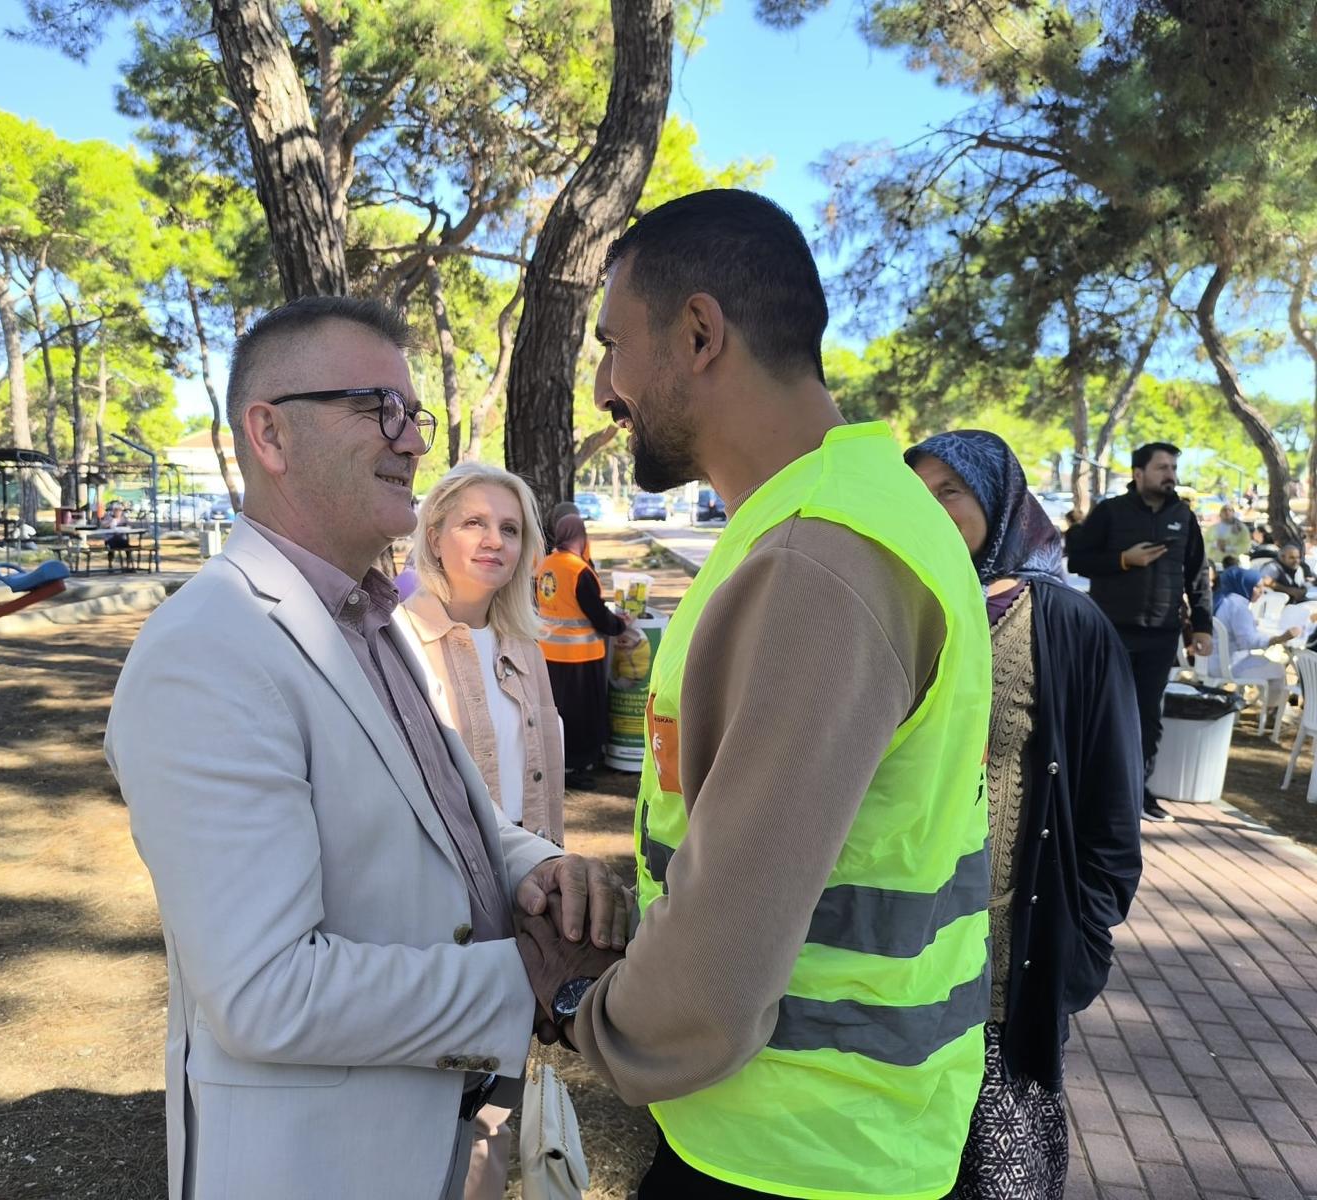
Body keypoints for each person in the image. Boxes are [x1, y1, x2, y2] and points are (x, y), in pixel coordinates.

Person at [512, 189, 994, 1200]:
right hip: (838, 1132)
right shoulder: (848, 513)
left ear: (698, 334)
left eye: (612, 345)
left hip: (794, 1149)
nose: (601, 387)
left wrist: (576, 1000)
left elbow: (722, 963)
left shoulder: (819, 556)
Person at [103, 295, 627, 1200]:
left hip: (433, 1132)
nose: (413, 441)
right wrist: (528, 979)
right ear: (270, 434)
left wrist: (537, 869)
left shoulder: (365, 620)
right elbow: (266, 991)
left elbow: (444, 820)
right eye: (377, 408)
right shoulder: (209, 649)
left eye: (413, 413)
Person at [907, 430, 1144, 1198]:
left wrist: (1087, 928)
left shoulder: (1065, 623)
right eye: (917, 491)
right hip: (899, 957)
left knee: (996, 1171)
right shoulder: (903, 605)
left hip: (1004, 965)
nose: (931, 507)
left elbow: (1112, 799)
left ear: (998, 500)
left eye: (951, 490)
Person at [399, 460, 567, 1200]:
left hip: (521, 908)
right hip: (438, 918)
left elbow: (542, 787)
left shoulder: (524, 644)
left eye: (510, 528)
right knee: (431, 1107)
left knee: (495, 1110)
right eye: (474, 522)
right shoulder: (395, 639)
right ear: (435, 533)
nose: (494, 540)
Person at [1066, 442, 1211, 823]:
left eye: (1173, 468)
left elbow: (1198, 575)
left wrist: (1202, 626)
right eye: (1162, 467)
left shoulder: (1183, 516)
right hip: (1111, 631)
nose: (1170, 475)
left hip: (1161, 634)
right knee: (1101, 710)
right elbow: (1078, 560)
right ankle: (1090, 791)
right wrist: (1122, 560)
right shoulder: (1111, 512)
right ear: (1138, 473)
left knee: (1148, 716)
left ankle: (1136, 793)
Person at [535, 513, 634, 777]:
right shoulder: (578, 571)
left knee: (557, 712)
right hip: (580, 657)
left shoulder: (545, 565)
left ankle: (560, 761)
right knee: (581, 714)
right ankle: (579, 764)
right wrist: (619, 624)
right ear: (581, 536)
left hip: (548, 654)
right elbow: (597, 613)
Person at [1215, 565, 1303, 684]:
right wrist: (1281, 638)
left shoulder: (1222, 600)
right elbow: (1248, 642)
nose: (1261, 591)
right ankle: (1274, 698)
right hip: (1229, 666)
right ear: (1244, 585)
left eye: (1262, 587)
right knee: (1278, 670)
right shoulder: (1239, 608)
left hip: (1210, 662)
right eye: (1256, 587)